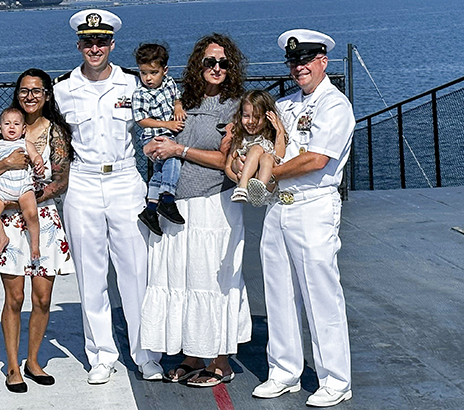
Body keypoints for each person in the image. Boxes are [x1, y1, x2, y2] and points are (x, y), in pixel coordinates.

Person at [239, 29, 354, 407]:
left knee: (321, 294)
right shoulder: (287, 106)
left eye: (306, 60)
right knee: (279, 293)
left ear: (323, 61)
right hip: (278, 206)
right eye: (293, 62)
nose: (299, 68)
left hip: (313, 205)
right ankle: (284, 372)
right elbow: (262, 137)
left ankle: (335, 379)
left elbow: (317, 160)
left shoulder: (335, 106)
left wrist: (267, 173)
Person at [52, 9, 163, 384]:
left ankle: (145, 353)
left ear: (112, 44)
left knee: (135, 271)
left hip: (124, 180)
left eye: (101, 41)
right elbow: (51, 138)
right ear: (79, 44)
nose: (94, 47)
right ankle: (101, 354)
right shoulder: (62, 88)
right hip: (82, 183)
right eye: (88, 41)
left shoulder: (134, 85)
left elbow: (160, 122)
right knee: (90, 273)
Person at [139, 33, 251, 388]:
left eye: (222, 63)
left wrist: (179, 151)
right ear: (198, 66)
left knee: (212, 282)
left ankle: (220, 361)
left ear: (230, 67)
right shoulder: (182, 100)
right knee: (182, 281)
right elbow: (158, 134)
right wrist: (155, 146)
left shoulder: (236, 107)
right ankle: (191, 354)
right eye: (209, 62)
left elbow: (226, 159)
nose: (215, 68)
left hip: (213, 206)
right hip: (178, 206)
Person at [0, 68, 75, 393]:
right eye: (23, 90)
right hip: (7, 220)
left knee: (43, 297)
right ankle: (13, 367)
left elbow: (61, 179)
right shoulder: (3, 130)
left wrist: (28, 198)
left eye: (36, 90)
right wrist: (6, 166)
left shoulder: (55, 132)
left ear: (47, 94)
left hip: (40, 218)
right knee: (15, 297)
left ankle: (33, 361)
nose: (29, 96)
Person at [132, 42, 187, 236]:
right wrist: (167, 125)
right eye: (143, 72)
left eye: (153, 73)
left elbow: (176, 97)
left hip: (169, 131)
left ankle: (150, 209)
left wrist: (178, 107)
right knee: (173, 160)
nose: (148, 78)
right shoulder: (140, 93)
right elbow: (141, 120)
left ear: (165, 70)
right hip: (155, 135)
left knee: (158, 173)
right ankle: (168, 199)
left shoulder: (170, 83)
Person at [0, 107, 45, 259]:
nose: (11, 127)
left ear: (23, 129)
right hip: (1, 189)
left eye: (16, 124)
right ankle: (3, 238)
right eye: (7, 123)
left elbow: (36, 155)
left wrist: (38, 162)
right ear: (0, 127)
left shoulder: (25, 144)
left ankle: (35, 246)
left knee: (31, 214)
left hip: (23, 187)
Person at [224, 89, 287, 205]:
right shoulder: (240, 137)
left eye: (257, 117)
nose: (251, 121)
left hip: (268, 186)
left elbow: (279, 156)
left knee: (264, 154)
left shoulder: (270, 137)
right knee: (253, 152)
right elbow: (228, 166)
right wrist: (237, 178)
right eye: (246, 116)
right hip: (245, 185)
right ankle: (244, 188)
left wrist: (279, 131)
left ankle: (259, 188)